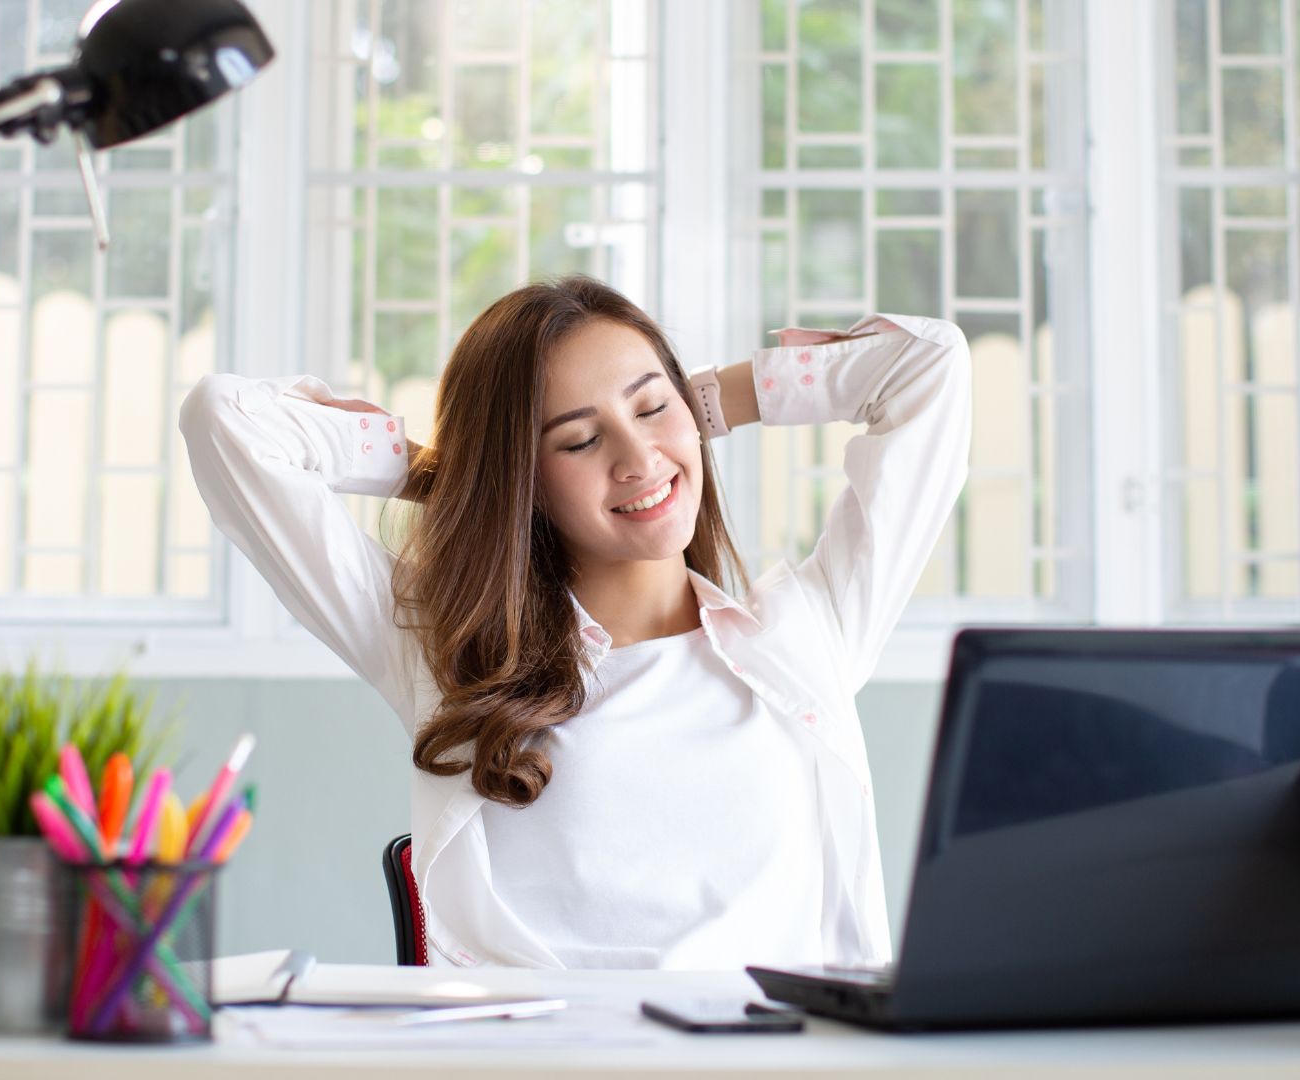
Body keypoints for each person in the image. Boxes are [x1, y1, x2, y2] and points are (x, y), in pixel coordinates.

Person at [179, 276, 971, 969]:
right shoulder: (453, 651)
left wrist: (708, 403)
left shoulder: (808, 632)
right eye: (581, 440)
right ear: (526, 477)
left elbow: (928, 366)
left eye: (651, 408)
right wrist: (468, 484)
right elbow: (226, 423)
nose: (637, 460)